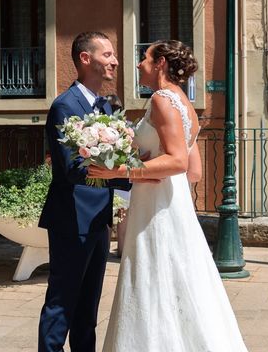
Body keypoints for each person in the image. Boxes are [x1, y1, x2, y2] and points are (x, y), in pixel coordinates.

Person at [89, 40, 248, 351]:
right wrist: (147, 162)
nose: (138, 65)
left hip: (156, 206)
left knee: (152, 276)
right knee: (179, 277)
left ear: (160, 63)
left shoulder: (162, 99)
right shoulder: (185, 105)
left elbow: (177, 162)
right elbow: (194, 173)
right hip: (173, 203)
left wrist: (119, 170)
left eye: (144, 59)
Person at [37, 31, 154, 352]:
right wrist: (128, 175)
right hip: (71, 220)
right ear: (85, 59)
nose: (115, 61)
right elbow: (71, 169)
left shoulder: (105, 106)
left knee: (88, 310)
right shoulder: (65, 106)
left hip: (99, 220)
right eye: (107, 55)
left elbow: (119, 158)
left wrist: (140, 169)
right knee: (62, 303)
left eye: (114, 55)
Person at [104, 94, 130, 257]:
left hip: (107, 176)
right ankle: (122, 250)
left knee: (107, 217)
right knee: (123, 216)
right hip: (122, 177)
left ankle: (104, 252)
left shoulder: (100, 127)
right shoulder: (127, 127)